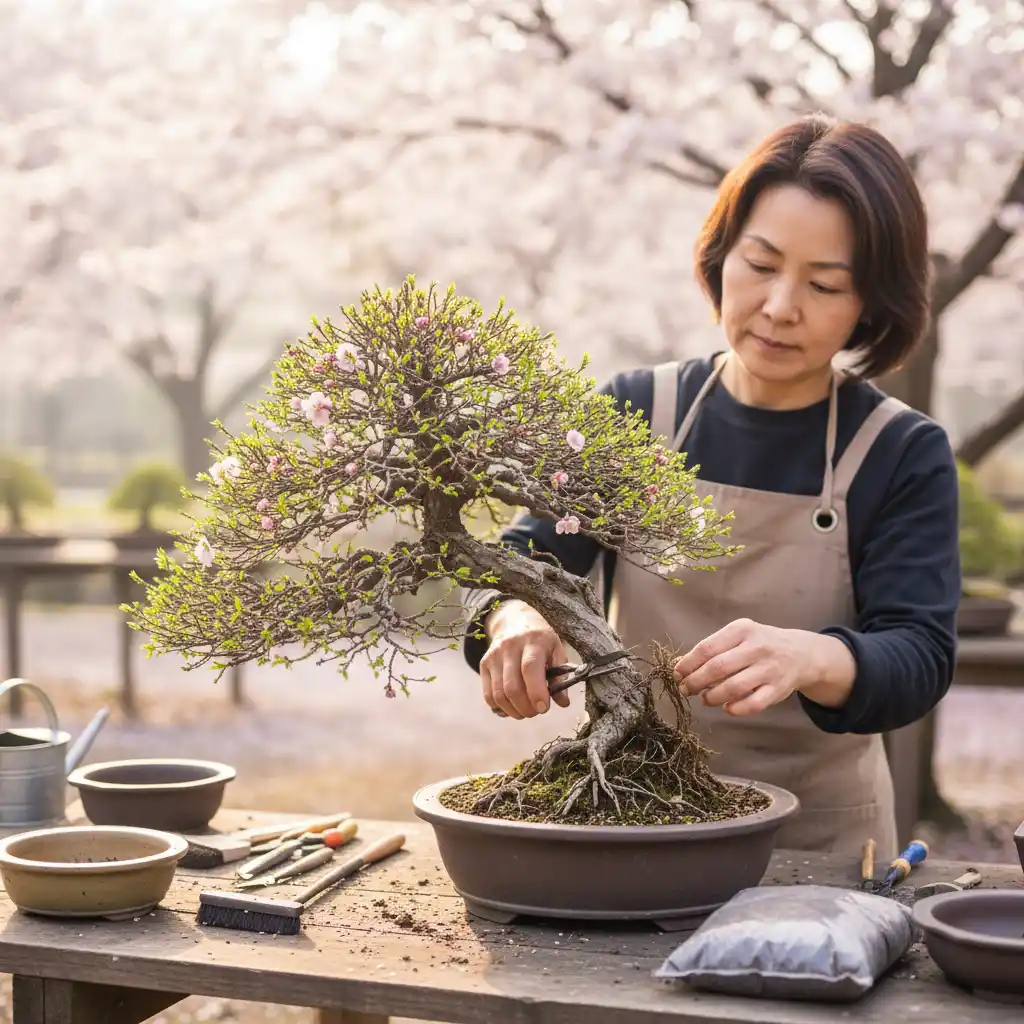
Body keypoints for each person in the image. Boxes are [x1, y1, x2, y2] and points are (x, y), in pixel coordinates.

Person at [460, 114, 961, 859]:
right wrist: (512, 622)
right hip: (637, 810)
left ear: (870, 305)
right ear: (721, 256)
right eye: (760, 264)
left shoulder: (899, 452)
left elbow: (919, 655)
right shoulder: (634, 413)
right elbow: (521, 561)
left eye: (825, 284)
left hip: (820, 839)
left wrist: (812, 657)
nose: (781, 306)